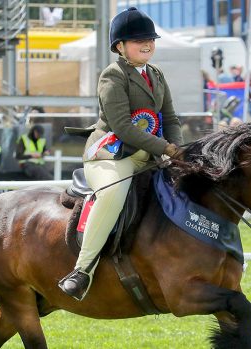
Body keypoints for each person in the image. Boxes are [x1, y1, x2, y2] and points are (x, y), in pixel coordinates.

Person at [58, 7, 183, 301]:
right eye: (139, 39)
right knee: (114, 193)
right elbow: (123, 127)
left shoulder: (156, 74)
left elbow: (171, 118)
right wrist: (165, 148)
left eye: (150, 39)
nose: (147, 44)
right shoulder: (112, 76)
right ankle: (82, 270)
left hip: (151, 153)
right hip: (112, 154)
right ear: (120, 46)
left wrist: (178, 150)